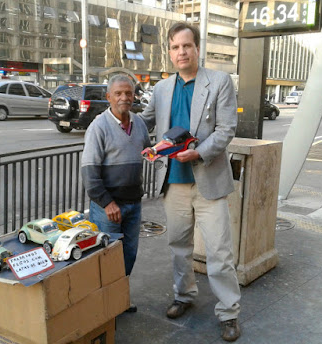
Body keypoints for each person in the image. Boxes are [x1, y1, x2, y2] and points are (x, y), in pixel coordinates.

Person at [140, 22, 241, 342]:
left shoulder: (219, 81)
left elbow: (226, 130)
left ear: (198, 48)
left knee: (219, 252)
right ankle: (184, 295)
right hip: (173, 181)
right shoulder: (161, 88)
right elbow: (145, 121)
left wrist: (198, 154)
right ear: (169, 52)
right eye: (175, 47)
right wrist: (114, 117)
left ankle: (229, 311)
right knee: (178, 247)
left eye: (187, 46)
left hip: (208, 179)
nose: (181, 52)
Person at [81, 74, 151, 312]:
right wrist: (108, 203)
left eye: (128, 93)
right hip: (108, 208)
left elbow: (145, 149)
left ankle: (118, 300)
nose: (124, 98)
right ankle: (101, 308)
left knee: (128, 255)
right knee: (105, 258)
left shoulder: (139, 123)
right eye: (118, 93)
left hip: (134, 203)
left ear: (134, 96)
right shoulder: (98, 127)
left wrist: (156, 151)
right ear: (108, 96)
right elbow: (90, 175)